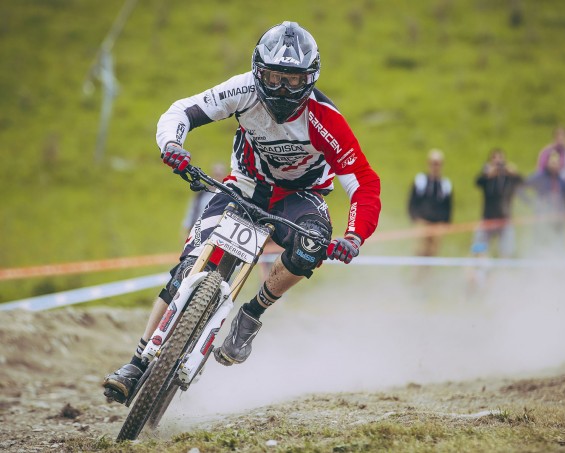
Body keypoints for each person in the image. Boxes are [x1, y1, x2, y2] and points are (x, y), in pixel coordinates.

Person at [103, 21, 381, 403]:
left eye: (293, 81)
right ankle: (137, 362)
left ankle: (251, 314)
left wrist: (354, 235)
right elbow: (181, 111)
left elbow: (363, 182)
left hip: (299, 197)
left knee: (310, 246)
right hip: (244, 188)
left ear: (311, 79)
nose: (282, 88)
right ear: (257, 70)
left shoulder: (325, 120)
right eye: (273, 77)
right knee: (187, 267)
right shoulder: (243, 90)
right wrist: (173, 145)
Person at [470, 149, 523, 259]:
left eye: (500, 159)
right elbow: (477, 182)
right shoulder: (487, 176)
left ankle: (504, 273)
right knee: (478, 249)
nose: (498, 163)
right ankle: (479, 272)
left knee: (507, 251)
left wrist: (514, 172)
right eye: (495, 159)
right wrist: (488, 174)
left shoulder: (508, 177)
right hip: (487, 218)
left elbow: (521, 181)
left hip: (505, 218)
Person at [407, 149, 453, 257]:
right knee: (419, 252)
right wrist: (414, 217)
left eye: (437, 164)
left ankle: (429, 274)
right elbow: (412, 201)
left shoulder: (445, 184)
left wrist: (445, 223)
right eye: (433, 163)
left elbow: (448, 206)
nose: (435, 167)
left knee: (433, 254)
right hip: (422, 222)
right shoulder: (421, 180)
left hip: (438, 225)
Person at [181, 162, 227, 235]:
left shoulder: (227, 197)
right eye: (215, 175)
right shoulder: (201, 195)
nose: (217, 178)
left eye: (219, 175)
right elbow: (190, 217)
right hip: (198, 234)